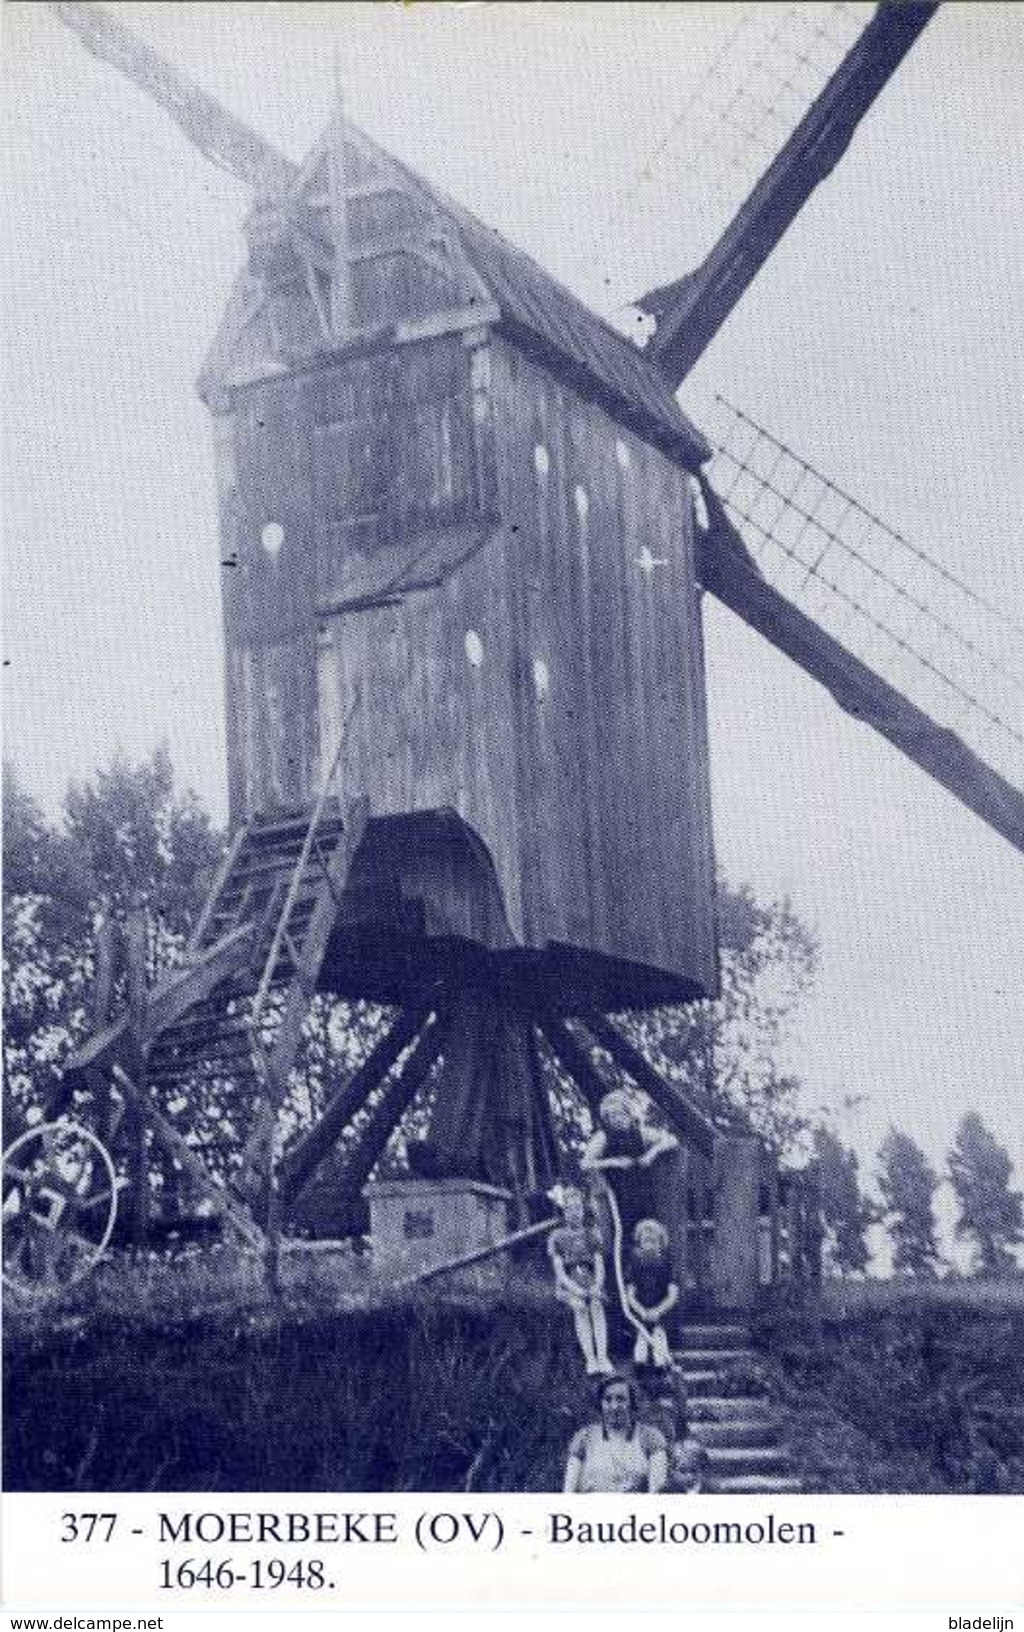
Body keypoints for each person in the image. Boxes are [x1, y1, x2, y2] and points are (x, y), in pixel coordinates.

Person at [562, 1374, 667, 1494]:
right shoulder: (584, 1438)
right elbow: (568, 1492)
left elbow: (657, 1493)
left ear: (632, 1403)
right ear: (600, 1403)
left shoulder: (650, 1438)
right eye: (608, 1399)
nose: (614, 1406)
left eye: (621, 1399)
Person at [547, 1185, 612, 1376]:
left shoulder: (592, 1234)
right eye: (569, 1209)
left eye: (577, 1208)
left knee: (596, 1304)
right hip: (569, 1285)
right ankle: (590, 1359)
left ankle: (602, 1356)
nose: (574, 1213)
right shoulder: (556, 1237)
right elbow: (560, 1273)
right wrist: (577, 1290)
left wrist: (596, 1286)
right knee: (580, 1307)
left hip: (591, 1282)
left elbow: (599, 1266)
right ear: (563, 1211)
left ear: (583, 1210)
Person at [625, 1217, 679, 1371]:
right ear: (639, 1243)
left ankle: (660, 1362)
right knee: (642, 1333)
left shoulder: (667, 1263)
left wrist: (658, 1311)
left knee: (658, 1332)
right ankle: (640, 1361)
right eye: (646, 1241)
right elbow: (630, 1294)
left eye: (654, 1241)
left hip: (662, 1310)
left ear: (661, 1244)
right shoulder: (634, 1264)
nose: (649, 1245)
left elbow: (673, 1294)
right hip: (640, 1310)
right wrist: (641, 1311)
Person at [653, 1391, 711, 1494]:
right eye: (683, 1471)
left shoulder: (709, 1491)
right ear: (672, 1471)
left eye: (693, 1471)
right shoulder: (666, 1491)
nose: (689, 1477)